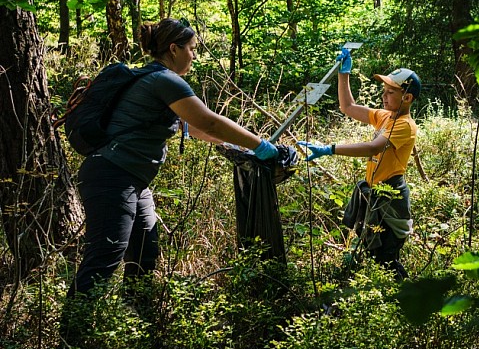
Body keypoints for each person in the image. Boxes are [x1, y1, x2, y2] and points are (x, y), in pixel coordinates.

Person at [65, 18, 278, 301]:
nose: (194, 56)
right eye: (192, 49)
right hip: (113, 175)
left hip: (132, 180)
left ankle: (138, 323)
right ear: (174, 49)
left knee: (144, 253)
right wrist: (261, 145)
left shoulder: (155, 80)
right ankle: (73, 339)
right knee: (105, 255)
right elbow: (209, 122)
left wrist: (242, 147)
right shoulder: (164, 80)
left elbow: (198, 129)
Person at [298, 48, 421, 280]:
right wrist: (344, 74)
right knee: (372, 251)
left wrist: (329, 149)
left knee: (386, 257)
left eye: (391, 92)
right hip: (374, 193)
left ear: (407, 98)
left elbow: (373, 147)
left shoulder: (405, 125)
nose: (384, 96)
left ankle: (405, 300)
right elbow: (348, 108)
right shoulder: (384, 116)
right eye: (384, 91)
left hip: (390, 196)